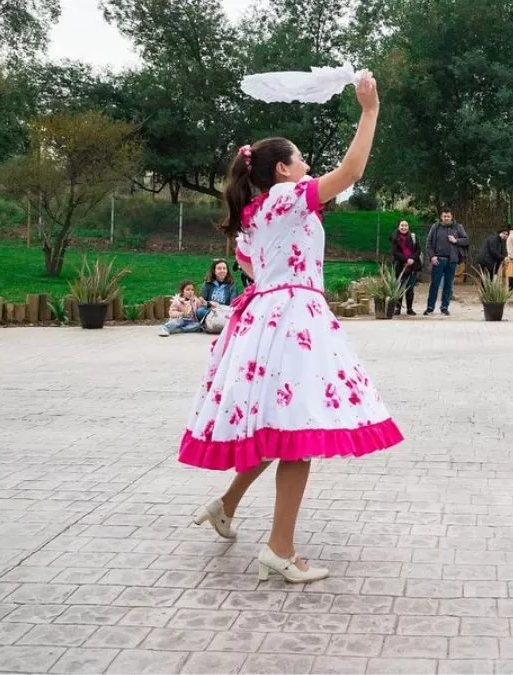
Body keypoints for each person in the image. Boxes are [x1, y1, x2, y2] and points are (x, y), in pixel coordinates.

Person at [179, 73, 403, 583]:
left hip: (266, 321)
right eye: (301, 160)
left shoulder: (253, 217)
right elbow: (350, 172)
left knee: (278, 431)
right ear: (282, 170)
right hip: (291, 320)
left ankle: (226, 506)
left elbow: (257, 270)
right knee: (297, 434)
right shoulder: (286, 198)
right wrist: (369, 111)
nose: (307, 167)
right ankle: (279, 549)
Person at [424, 208, 469, 316]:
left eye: (448, 216)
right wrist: (432, 256)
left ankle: (444, 307)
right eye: (444, 216)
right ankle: (430, 307)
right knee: (434, 284)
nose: (446, 218)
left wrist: (456, 240)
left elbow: (466, 240)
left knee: (448, 285)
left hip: (452, 260)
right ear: (441, 217)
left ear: (451, 216)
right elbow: (428, 243)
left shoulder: (458, 227)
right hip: (438, 260)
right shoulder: (435, 227)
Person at [390, 220, 422, 316]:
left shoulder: (413, 237)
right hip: (400, 266)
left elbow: (418, 250)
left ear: (408, 227)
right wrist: (405, 260)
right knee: (399, 288)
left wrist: (412, 259)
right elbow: (395, 252)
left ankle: (409, 308)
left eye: (406, 226)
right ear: (398, 227)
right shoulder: (394, 238)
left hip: (412, 266)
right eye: (402, 225)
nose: (404, 227)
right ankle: (397, 308)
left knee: (410, 288)